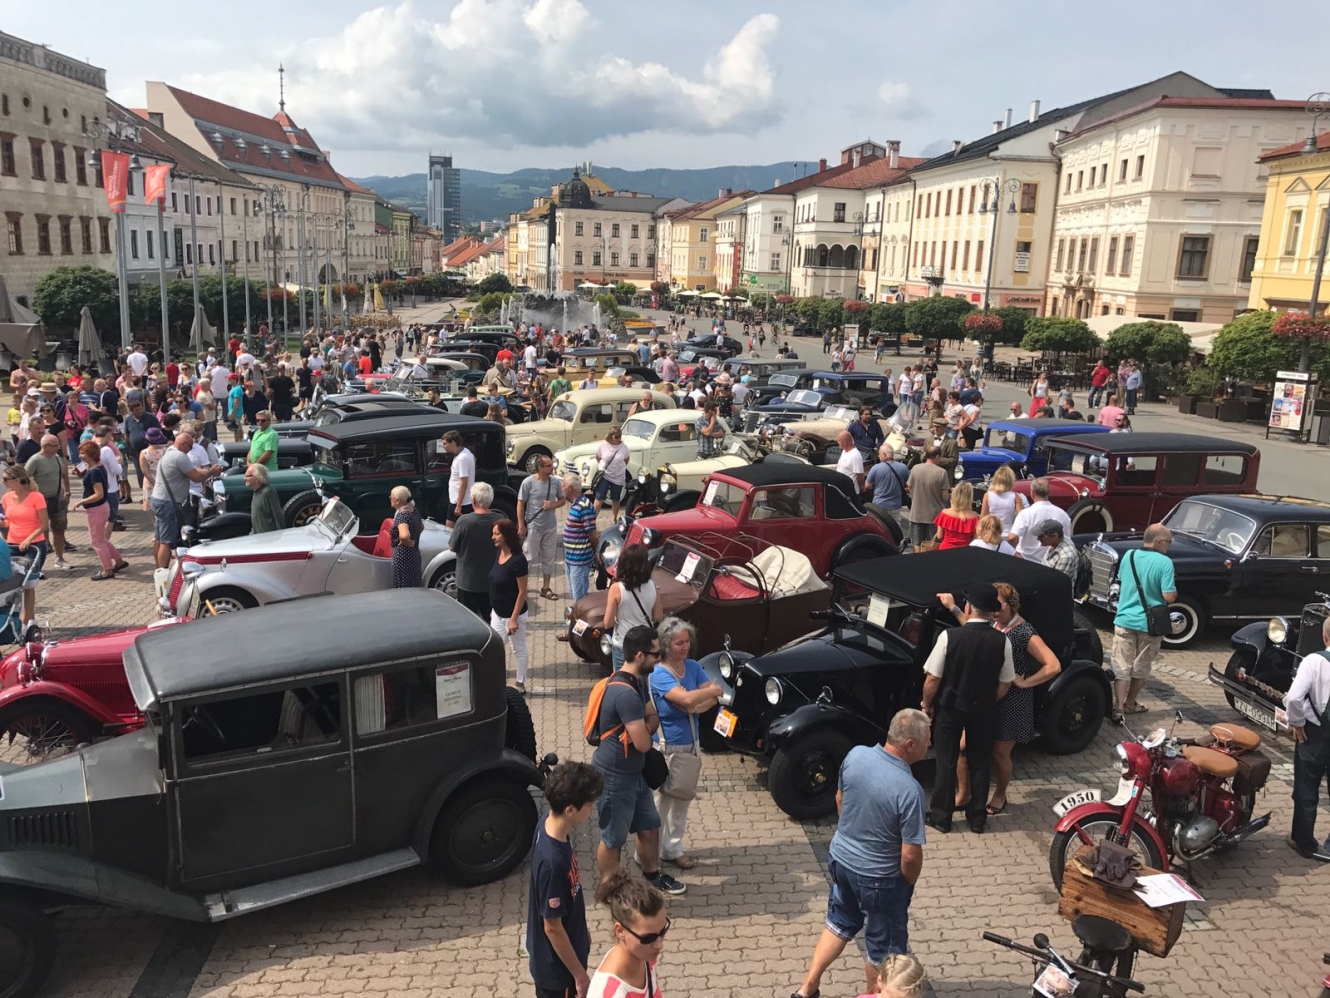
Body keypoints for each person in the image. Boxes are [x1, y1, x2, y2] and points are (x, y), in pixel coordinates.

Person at [791, 709, 930, 998]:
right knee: (883, 949)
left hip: (841, 860)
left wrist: (853, 836)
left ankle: (807, 988)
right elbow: (909, 856)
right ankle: (875, 994)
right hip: (879, 879)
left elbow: (840, 799)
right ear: (910, 745)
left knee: (839, 922)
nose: (931, 743)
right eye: (927, 739)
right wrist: (907, 881)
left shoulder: (855, 755)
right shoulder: (910, 790)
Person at [944, 584, 1060, 816]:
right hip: (987, 696)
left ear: (1011, 605)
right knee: (963, 748)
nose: (993, 610)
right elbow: (971, 627)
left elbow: (1053, 664)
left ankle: (1000, 795)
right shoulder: (991, 622)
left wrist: (1025, 682)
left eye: (998, 606)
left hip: (1012, 701)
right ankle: (964, 794)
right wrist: (953, 608)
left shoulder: (1024, 631)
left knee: (999, 753)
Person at [590, 624, 686, 896]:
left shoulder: (638, 681)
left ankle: (652, 875)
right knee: (613, 839)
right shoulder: (624, 693)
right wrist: (645, 729)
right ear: (640, 655)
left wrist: (646, 726)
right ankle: (611, 889)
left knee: (649, 825)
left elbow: (652, 718)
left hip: (635, 773)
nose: (660, 659)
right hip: (614, 778)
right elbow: (644, 743)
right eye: (656, 654)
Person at [921, 583, 1014, 834]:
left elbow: (933, 678)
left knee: (946, 761)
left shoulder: (949, 637)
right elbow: (1006, 682)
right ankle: (977, 817)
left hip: (951, 707)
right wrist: (990, 699)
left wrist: (926, 705)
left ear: (969, 608)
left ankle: (942, 816)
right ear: (991, 612)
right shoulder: (1002, 641)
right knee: (980, 762)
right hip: (983, 709)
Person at [649, 618, 722, 871]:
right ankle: (649, 854)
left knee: (682, 802)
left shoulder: (692, 666)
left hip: (691, 746)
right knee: (660, 805)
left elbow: (704, 700)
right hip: (665, 749)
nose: (685, 647)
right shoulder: (658, 674)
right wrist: (702, 697)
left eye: (687, 641)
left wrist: (695, 704)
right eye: (679, 643)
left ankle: (672, 849)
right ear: (666, 645)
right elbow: (693, 697)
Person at [527, 761, 603, 998]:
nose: (592, 810)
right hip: (558, 973)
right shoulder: (552, 862)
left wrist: (582, 930)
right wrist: (580, 976)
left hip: (565, 954)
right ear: (570, 810)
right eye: (589, 805)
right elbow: (552, 927)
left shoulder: (547, 823)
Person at [1111, 524, 1176, 722]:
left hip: (1124, 618)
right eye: (1169, 542)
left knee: (1121, 666)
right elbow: (1169, 596)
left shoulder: (1129, 556)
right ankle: (1130, 703)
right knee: (1141, 666)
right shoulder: (1165, 563)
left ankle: (1118, 708)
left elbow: (1122, 581)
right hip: (1150, 624)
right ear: (1159, 542)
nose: (1169, 546)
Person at [1284, 614, 1330, 860]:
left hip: (1315, 734)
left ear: (1324, 637)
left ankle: (1305, 842)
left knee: (1306, 786)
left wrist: (1297, 722)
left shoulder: (1314, 661)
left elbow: (1294, 697)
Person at [587, 869, 670, 998]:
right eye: (648, 938)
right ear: (620, 931)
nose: (659, 944)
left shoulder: (644, 955)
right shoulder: (611, 994)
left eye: (663, 930)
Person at [149, 432, 224, 570]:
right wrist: (211, 472)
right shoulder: (179, 456)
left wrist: (206, 470)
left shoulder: (169, 452)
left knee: (159, 538)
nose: (190, 449)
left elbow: (192, 469)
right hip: (168, 502)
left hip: (158, 499)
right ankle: (162, 572)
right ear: (183, 444)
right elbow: (196, 477)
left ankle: (158, 570)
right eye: (190, 446)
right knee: (166, 541)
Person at [449, 482, 506, 620]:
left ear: (473, 500)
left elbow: (452, 547)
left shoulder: (464, 521)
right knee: (492, 621)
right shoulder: (500, 520)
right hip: (493, 581)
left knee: (469, 621)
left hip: (468, 582)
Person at [1, 466, 49, 626]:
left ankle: (26, 621)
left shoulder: (36, 497)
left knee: (28, 584)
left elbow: (44, 524)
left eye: (6, 479)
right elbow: (10, 521)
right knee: (12, 583)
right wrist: (3, 524)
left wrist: (29, 539)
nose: (3, 482)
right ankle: (20, 619)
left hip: (34, 545)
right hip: (12, 544)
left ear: (17, 480)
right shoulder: (6, 498)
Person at [72, 441, 126, 581]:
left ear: (91, 455)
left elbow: (99, 494)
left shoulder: (94, 472)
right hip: (102, 508)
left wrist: (82, 501)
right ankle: (119, 561)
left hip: (96, 509)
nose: (80, 456)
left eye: (83, 453)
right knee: (101, 538)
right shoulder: (97, 467)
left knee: (96, 541)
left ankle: (107, 569)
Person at [603, 543, 662, 670]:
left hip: (623, 643)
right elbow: (658, 616)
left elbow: (607, 623)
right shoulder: (653, 585)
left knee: (622, 678)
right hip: (646, 645)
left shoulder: (616, 589)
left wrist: (617, 618)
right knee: (645, 679)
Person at [490, 517, 531, 693]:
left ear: (506, 536)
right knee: (494, 648)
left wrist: (514, 619)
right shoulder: (498, 554)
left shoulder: (518, 561)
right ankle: (494, 679)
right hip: (497, 613)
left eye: (496, 534)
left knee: (518, 649)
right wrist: (493, 610)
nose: (493, 537)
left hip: (513, 615)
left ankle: (520, 684)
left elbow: (522, 592)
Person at [519, 455, 565, 601]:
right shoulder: (528, 482)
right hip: (534, 526)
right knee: (528, 557)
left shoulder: (555, 482)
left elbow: (563, 500)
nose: (552, 467)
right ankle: (521, 588)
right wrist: (521, 524)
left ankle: (546, 588)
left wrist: (553, 505)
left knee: (549, 558)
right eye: (549, 465)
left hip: (550, 526)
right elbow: (520, 503)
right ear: (540, 468)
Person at [25, 434, 71, 571]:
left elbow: (63, 475)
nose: (58, 448)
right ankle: (38, 563)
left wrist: (67, 492)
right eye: (54, 445)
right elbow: (24, 478)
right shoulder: (35, 460)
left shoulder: (57, 458)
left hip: (57, 499)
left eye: (58, 445)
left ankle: (59, 558)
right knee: (39, 530)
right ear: (44, 446)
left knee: (59, 529)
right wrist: (32, 493)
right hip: (41, 500)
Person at [1007, 478, 1071, 564]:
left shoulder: (1025, 514)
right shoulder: (1063, 515)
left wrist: (1013, 553)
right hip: (1050, 564)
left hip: (1025, 562)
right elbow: (1066, 541)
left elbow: (1012, 537)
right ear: (1048, 492)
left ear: (1032, 493)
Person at [561, 473, 599, 613]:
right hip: (571, 559)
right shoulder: (576, 504)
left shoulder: (584, 506)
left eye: (563, 486)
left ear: (570, 488)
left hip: (580, 560)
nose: (562, 489)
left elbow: (593, 534)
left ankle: (583, 621)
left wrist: (595, 553)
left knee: (580, 598)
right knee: (574, 593)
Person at [904, 447, 949, 552]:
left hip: (917, 514)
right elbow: (945, 497)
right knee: (931, 545)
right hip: (934, 516)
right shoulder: (942, 472)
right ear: (937, 456)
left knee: (917, 543)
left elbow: (909, 487)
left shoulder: (915, 468)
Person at [865, 444, 910, 536]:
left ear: (884, 455)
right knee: (896, 527)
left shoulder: (875, 468)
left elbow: (867, 485)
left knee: (879, 527)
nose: (878, 456)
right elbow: (907, 484)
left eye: (879, 454)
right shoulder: (903, 467)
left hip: (879, 505)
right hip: (896, 504)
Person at [389, 485, 423, 588]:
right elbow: (422, 527)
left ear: (397, 500)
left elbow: (404, 535)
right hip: (414, 555)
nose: (390, 499)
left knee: (403, 587)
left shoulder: (402, 515)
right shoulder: (414, 511)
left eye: (391, 497)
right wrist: (414, 537)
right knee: (413, 585)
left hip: (403, 557)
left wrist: (406, 541)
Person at [594, 427, 631, 520]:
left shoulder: (624, 447)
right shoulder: (603, 445)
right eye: (616, 437)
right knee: (599, 497)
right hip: (605, 475)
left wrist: (618, 468)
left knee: (616, 498)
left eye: (619, 437)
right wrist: (603, 467)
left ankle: (614, 519)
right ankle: (593, 519)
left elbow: (626, 459)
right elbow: (598, 457)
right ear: (611, 436)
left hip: (618, 476)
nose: (618, 439)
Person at [979, 465, 1025, 535]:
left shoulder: (987, 495)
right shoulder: (1016, 497)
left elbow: (983, 517)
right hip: (1008, 533)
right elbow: (1021, 518)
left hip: (991, 533)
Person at [932, 481, 978, 550]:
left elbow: (939, 536)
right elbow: (975, 539)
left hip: (945, 549)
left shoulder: (944, 513)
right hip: (965, 552)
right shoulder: (974, 517)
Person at [443, 430, 474, 526]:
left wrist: (458, 505)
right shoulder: (466, 452)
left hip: (461, 502)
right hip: (456, 499)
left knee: (452, 528)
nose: (443, 446)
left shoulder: (462, 459)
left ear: (453, 443)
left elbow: (464, 482)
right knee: (449, 526)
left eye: (445, 444)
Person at [245, 463, 284, 534]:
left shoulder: (268, 492)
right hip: (258, 537)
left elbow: (278, 516)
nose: (245, 478)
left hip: (269, 537)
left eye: (248, 476)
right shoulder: (256, 492)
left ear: (257, 478)